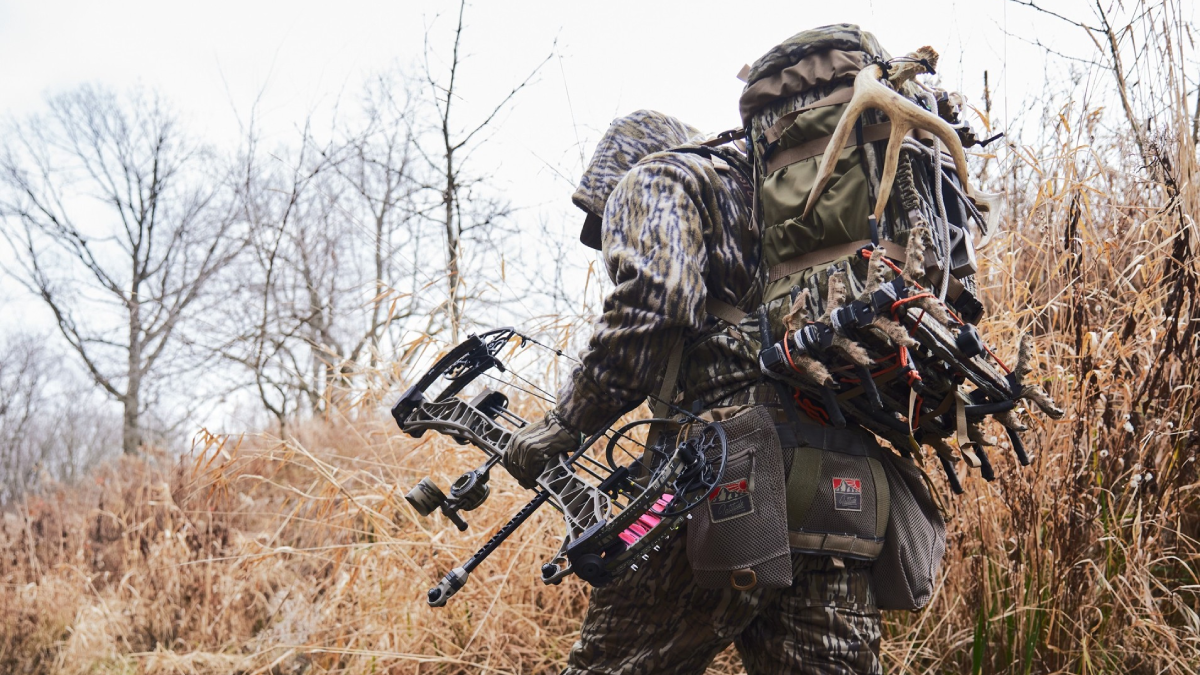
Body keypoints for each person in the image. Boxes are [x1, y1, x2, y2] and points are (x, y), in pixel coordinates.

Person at [504, 109, 883, 674]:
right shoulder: (774, 200)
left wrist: (566, 423)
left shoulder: (657, 178)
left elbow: (657, 298)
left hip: (720, 475)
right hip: (841, 484)